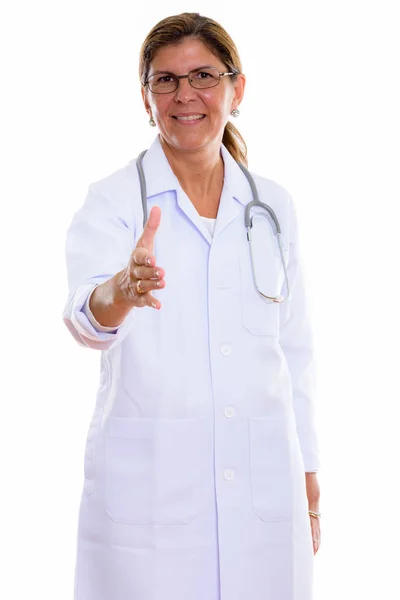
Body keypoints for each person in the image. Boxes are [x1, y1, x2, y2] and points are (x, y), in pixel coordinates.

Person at [63, 11, 321, 600]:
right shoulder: (113, 202)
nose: (185, 96)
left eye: (203, 76)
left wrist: (307, 469)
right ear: (146, 96)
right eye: (165, 80)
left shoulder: (273, 206)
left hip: (265, 484)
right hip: (150, 493)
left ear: (237, 89)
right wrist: (121, 292)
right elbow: (85, 317)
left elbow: (295, 348)